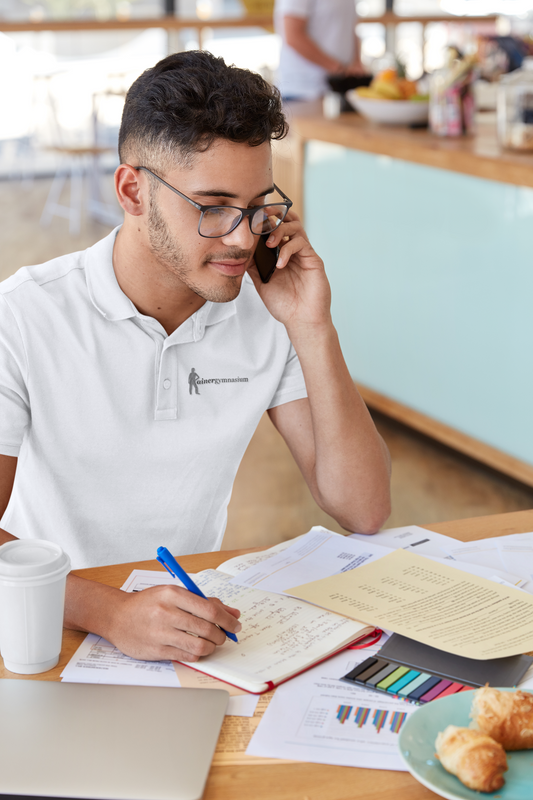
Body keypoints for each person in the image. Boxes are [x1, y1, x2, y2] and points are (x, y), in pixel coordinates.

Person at [0, 51, 390, 664]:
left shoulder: (269, 312)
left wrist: (313, 325)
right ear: (134, 191)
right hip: (45, 628)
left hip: (187, 628)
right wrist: (108, 611)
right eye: (212, 206)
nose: (242, 237)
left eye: (258, 204)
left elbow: (362, 508)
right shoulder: (21, 317)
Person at [274, 0, 364, 101]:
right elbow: (292, 36)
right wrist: (339, 69)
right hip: (302, 91)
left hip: (340, 88)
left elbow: (348, 28)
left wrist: (357, 62)